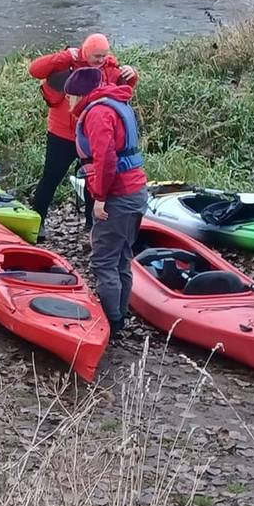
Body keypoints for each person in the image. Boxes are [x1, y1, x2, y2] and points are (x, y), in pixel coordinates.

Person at [65, 66, 148, 336]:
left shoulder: (98, 113)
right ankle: (119, 316)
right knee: (122, 256)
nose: (68, 102)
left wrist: (99, 198)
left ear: (80, 94)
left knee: (103, 261)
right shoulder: (114, 101)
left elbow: (106, 160)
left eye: (70, 96)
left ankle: (111, 323)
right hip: (135, 192)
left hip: (119, 196)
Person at [27, 33, 138, 230]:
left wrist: (131, 76)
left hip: (90, 136)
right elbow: (35, 70)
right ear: (86, 52)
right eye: (97, 56)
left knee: (92, 181)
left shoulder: (110, 69)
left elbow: (121, 93)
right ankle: (37, 223)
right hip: (62, 135)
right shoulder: (67, 61)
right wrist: (64, 56)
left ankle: (91, 225)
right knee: (51, 178)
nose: (100, 60)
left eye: (103, 55)